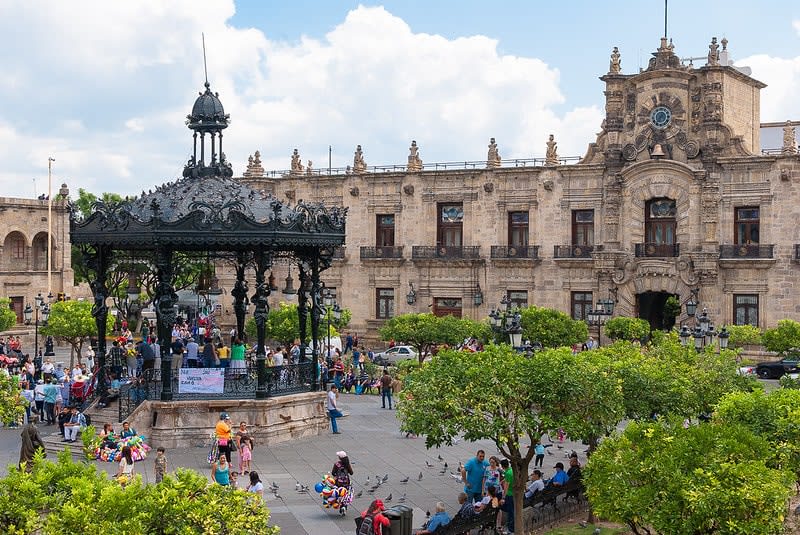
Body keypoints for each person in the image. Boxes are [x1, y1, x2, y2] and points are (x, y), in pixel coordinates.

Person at [500, 458, 515, 535]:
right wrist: (502, 481)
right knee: (511, 511)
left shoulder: (508, 473)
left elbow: (506, 486)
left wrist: (503, 497)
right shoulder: (511, 470)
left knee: (510, 512)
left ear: (502, 466)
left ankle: (511, 530)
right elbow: (506, 480)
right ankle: (510, 527)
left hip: (509, 495)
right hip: (514, 494)